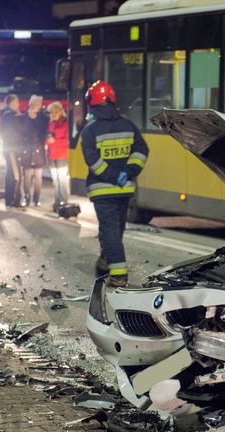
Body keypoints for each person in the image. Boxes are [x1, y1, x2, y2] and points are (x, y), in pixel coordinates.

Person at [80, 80, 149, 287]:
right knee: (115, 230)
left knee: (112, 231)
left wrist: (113, 175)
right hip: (123, 188)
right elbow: (141, 151)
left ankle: (118, 275)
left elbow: (93, 161)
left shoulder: (90, 131)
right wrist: (127, 173)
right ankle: (105, 263)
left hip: (102, 189)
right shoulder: (128, 126)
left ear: (92, 103)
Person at [21, 95, 48, 206]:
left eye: (39, 104)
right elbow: (22, 131)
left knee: (38, 177)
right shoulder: (24, 116)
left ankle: (36, 199)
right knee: (27, 176)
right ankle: (26, 198)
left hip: (38, 149)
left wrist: (35, 118)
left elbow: (43, 131)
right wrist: (29, 117)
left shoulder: (43, 117)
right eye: (35, 104)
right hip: (26, 149)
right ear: (30, 104)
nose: (37, 107)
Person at [0, 94, 25, 208]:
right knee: (15, 175)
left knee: (10, 172)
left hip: (9, 147)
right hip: (12, 148)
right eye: (17, 102)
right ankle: (14, 200)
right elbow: (22, 128)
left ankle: (10, 199)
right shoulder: (10, 115)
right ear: (12, 103)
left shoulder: (5, 114)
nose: (19, 105)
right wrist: (21, 116)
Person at [45, 101, 70, 212]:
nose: (53, 114)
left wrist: (53, 141)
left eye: (55, 112)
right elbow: (48, 137)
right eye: (51, 113)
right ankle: (57, 203)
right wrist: (47, 142)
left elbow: (67, 140)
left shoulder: (65, 123)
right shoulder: (51, 123)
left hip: (62, 155)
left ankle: (64, 202)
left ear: (61, 111)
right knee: (55, 180)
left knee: (62, 179)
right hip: (52, 155)